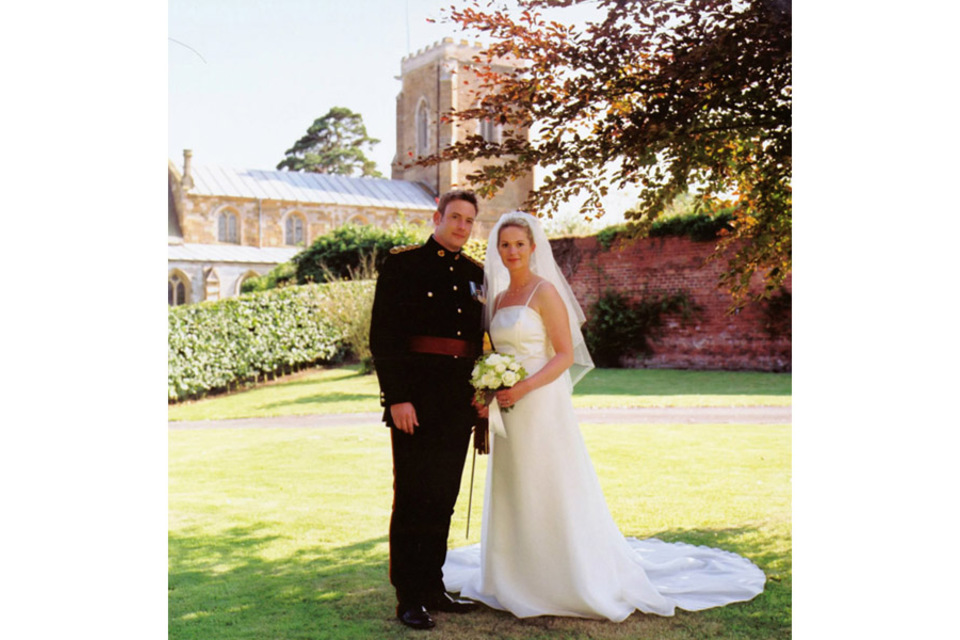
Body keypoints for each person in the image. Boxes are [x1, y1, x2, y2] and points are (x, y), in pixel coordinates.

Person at [441, 212, 766, 621]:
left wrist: (521, 387)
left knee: (548, 481)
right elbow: (494, 351)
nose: (511, 252)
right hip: (505, 407)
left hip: (540, 403)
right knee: (515, 483)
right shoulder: (501, 297)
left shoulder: (545, 293)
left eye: (519, 244)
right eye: (504, 245)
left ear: (533, 247)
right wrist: (488, 388)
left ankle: (564, 577)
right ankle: (514, 575)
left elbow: (563, 356)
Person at [369, 190, 487, 630]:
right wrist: (396, 396)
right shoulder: (404, 265)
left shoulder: (477, 274)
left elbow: (482, 342)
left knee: (444, 498)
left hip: (459, 402)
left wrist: (484, 396)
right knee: (413, 497)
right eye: (454, 217)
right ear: (437, 217)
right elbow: (384, 335)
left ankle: (433, 585)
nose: (461, 226)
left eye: (469, 220)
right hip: (414, 402)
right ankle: (409, 596)